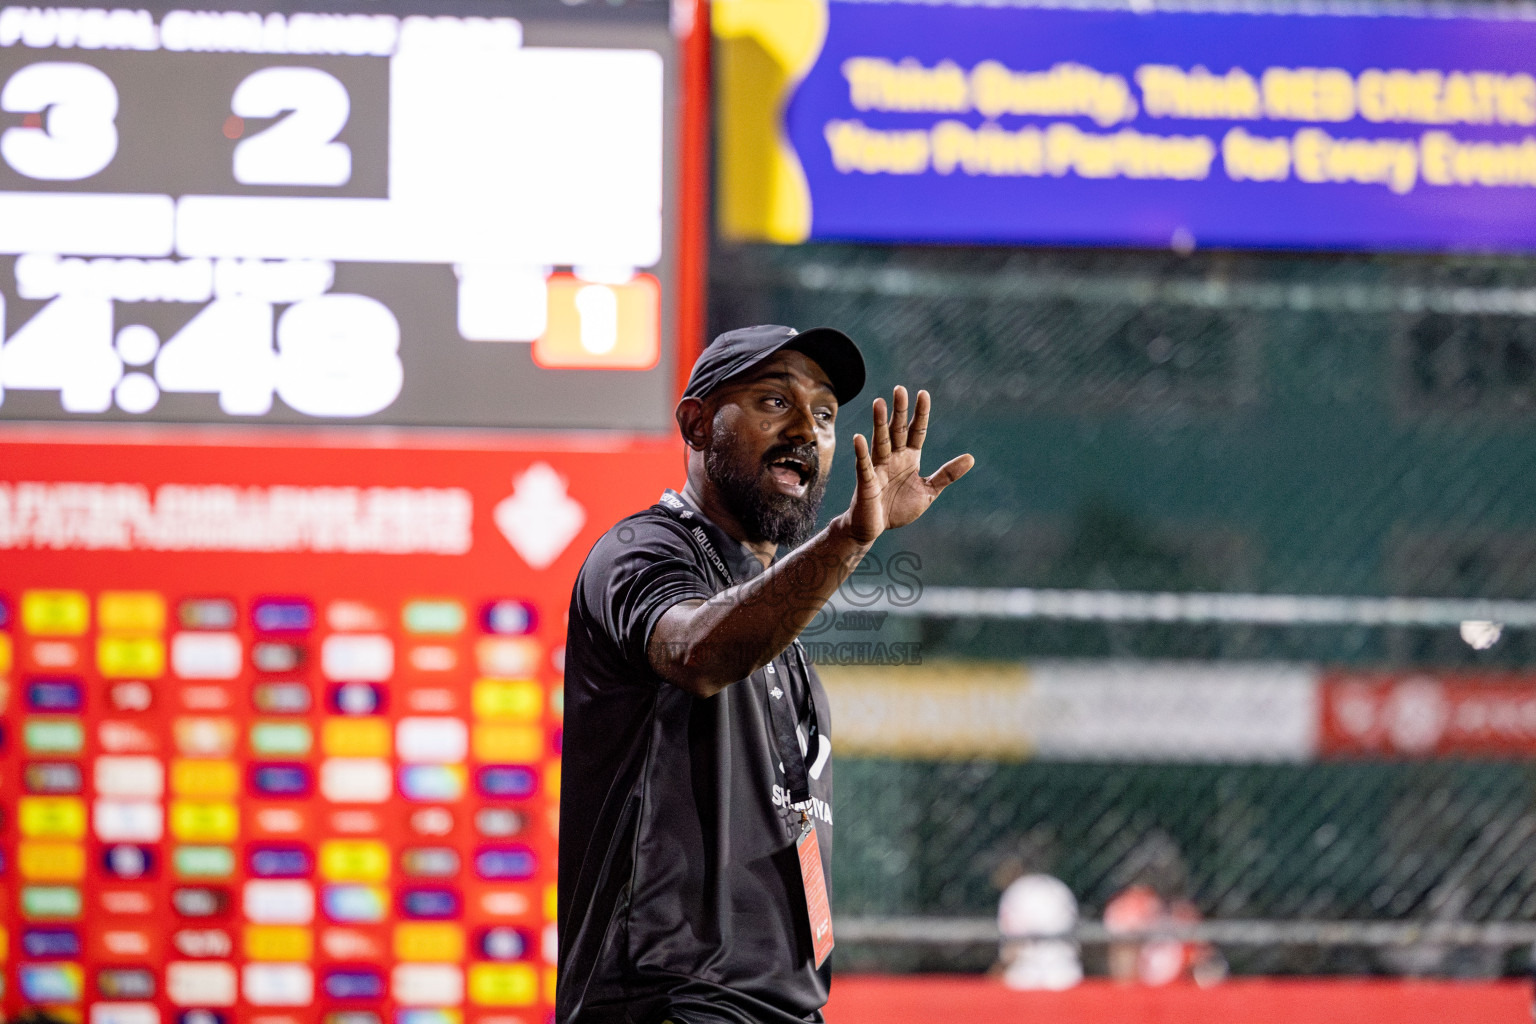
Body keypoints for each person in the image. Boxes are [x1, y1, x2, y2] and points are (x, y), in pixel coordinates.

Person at [556, 324, 974, 1024]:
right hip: (668, 1001)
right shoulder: (641, 550)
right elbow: (696, 653)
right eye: (774, 402)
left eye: (824, 414)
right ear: (696, 423)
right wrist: (851, 537)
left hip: (781, 1008)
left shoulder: (779, 631)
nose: (805, 430)